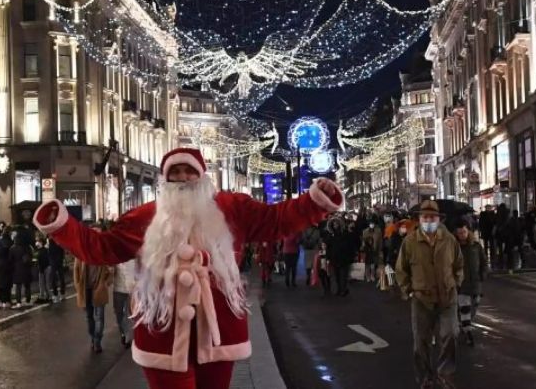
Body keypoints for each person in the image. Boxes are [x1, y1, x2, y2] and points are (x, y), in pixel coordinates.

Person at [33, 148, 342, 388]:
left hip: (218, 331)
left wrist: (315, 201)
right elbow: (100, 248)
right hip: (163, 333)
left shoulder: (232, 208)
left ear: (202, 176)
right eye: (175, 172)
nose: (182, 178)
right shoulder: (144, 217)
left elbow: (277, 220)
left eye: (188, 171)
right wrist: (61, 225)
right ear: (164, 180)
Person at [395, 200, 464, 389]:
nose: (428, 220)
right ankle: (425, 377)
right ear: (419, 219)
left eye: (432, 217)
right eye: (425, 217)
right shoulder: (409, 242)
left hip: (447, 297)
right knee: (421, 342)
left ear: (438, 219)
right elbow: (401, 269)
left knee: (450, 334)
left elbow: (458, 265)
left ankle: (445, 373)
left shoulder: (449, 239)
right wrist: (408, 290)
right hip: (421, 299)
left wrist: (456, 283)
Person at [454, 220, 487, 347]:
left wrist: (483, 275)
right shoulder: (455, 247)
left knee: (473, 308)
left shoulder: (476, 246)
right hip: (462, 284)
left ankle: (464, 324)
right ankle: (468, 333)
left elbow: (483, 262)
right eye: (460, 233)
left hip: (476, 284)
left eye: (464, 232)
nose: (462, 235)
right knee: (465, 308)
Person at [73, 258, 111, 353]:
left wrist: (104, 284)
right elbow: (76, 270)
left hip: (99, 289)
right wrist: (78, 286)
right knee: (89, 316)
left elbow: (109, 271)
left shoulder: (100, 254)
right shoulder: (80, 254)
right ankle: (93, 338)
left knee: (100, 318)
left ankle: (97, 340)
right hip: (85, 290)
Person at [112, 259, 136, 348]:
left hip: (131, 291)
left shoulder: (133, 258)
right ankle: (122, 332)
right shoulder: (116, 258)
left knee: (128, 314)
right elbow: (110, 272)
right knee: (118, 314)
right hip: (118, 290)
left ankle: (127, 337)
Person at [9, 228, 34, 308]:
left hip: (17, 269)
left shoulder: (12, 248)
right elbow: (31, 256)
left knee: (18, 286)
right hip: (26, 268)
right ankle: (28, 300)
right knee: (27, 286)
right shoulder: (27, 247)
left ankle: (18, 302)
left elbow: (10, 259)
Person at [0, 229, 14, 309]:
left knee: (0, 284)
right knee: (7, 284)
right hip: (7, 264)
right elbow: (11, 254)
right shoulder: (10, 242)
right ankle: (7, 301)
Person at [48, 237, 67, 303]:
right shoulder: (59, 240)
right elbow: (62, 250)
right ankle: (62, 293)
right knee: (61, 276)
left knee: (53, 278)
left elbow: (50, 252)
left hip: (53, 261)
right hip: (59, 260)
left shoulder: (51, 241)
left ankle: (56, 295)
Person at [35, 235, 52, 303]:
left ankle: (47, 296)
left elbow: (43, 260)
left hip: (44, 268)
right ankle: (44, 296)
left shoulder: (43, 251)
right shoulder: (41, 250)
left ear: (41, 242)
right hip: (43, 268)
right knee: (42, 283)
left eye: (38, 241)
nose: (36, 242)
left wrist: (41, 269)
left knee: (45, 283)